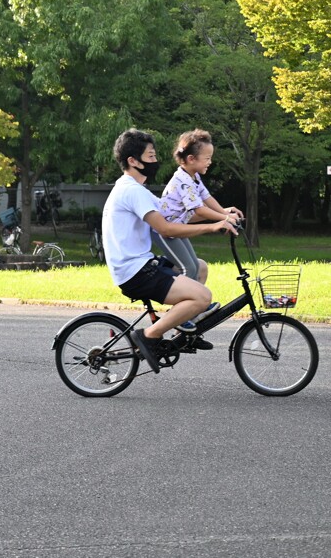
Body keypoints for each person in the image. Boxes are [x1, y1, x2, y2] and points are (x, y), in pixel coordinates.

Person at [101, 129, 237, 374]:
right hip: (136, 272)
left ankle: (182, 332)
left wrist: (223, 217)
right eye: (151, 156)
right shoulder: (131, 191)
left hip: (142, 265)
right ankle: (148, 335)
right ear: (133, 161)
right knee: (202, 297)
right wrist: (213, 225)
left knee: (201, 267)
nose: (156, 161)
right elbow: (164, 227)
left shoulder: (136, 191)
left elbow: (180, 217)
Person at [154, 129, 243, 283]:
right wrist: (225, 217)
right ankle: (184, 302)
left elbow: (207, 197)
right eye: (207, 158)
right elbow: (200, 210)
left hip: (177, 228)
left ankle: (195, 303)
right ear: (191, 159)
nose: (210, 162)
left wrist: (223, 211)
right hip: (165, 232)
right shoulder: (184, 181)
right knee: (187, 268)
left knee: (195, 266)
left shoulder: (193, 176)